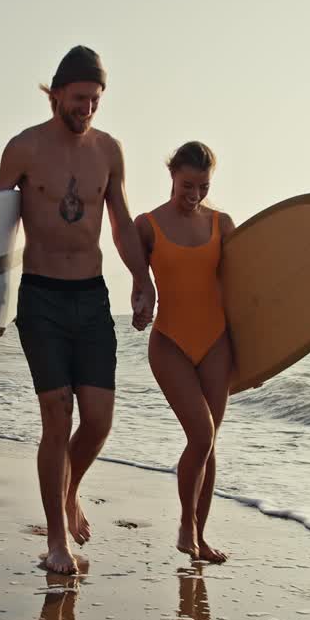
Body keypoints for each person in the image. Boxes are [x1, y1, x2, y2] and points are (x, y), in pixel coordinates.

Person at [0, 45, 155, 575]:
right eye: (80, 97)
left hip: (90, 296)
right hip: (40, 295)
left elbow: (122, 222)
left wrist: (141, 278)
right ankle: (57, 542)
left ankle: (70, 490)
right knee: (57, 417)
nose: (88, 108)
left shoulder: (109, 152)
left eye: (96, 99)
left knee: (100, 420)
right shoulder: (24, 149)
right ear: (56, 93)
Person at [135, 141, 235, 563]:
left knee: (209, 443)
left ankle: (200, 536)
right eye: (187, 184)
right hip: (170, 342)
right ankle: (185, 525)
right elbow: (140, 282)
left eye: (203, 186)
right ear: (172, 175)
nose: (194, 194)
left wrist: (264, 353)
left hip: (217, 342)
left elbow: (246, 289)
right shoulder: (147, 225)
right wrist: (141, 302)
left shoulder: (222, 223)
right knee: (201, 433)